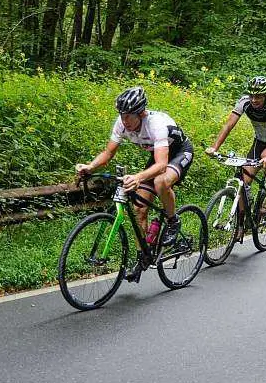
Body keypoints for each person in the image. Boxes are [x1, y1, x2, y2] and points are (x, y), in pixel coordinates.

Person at [75, 86, 194, 280]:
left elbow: (162, 165)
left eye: (128, 116)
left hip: (179, 152)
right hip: (157, 156)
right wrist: (90, 166)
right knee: (139, 209)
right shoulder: (121, 124)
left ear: (141, 113)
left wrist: (138, 177)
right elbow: (108, 154)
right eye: (122, 115)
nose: (124, 121)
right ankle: (143, 257)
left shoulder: (157, 124)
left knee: (161, 181)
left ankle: (173, 221)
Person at [205, 76, 266, 237]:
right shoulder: (244, 102)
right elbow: (228, 125)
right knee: (243, 182)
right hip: (259, 141)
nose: (254, 100)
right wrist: (214, 147)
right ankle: (241, 224)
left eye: (258, 96)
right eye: (251, 95)